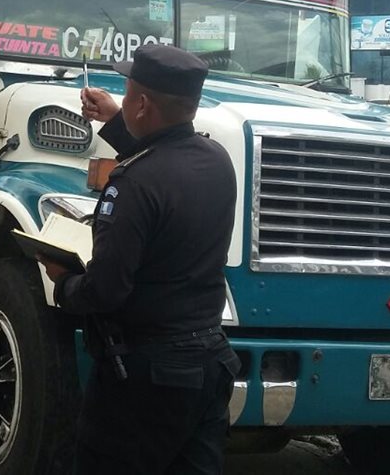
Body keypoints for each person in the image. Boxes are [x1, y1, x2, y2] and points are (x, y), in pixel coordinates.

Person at [37, 44, 240, 474]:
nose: (124, 100)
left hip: (146, 376)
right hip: (208, 363)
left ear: (143, 105)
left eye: (128, 94)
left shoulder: (132, 183)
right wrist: (116, 119)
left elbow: (106, 291)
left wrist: (64, 281)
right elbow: (166, 160)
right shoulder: (217, 161)